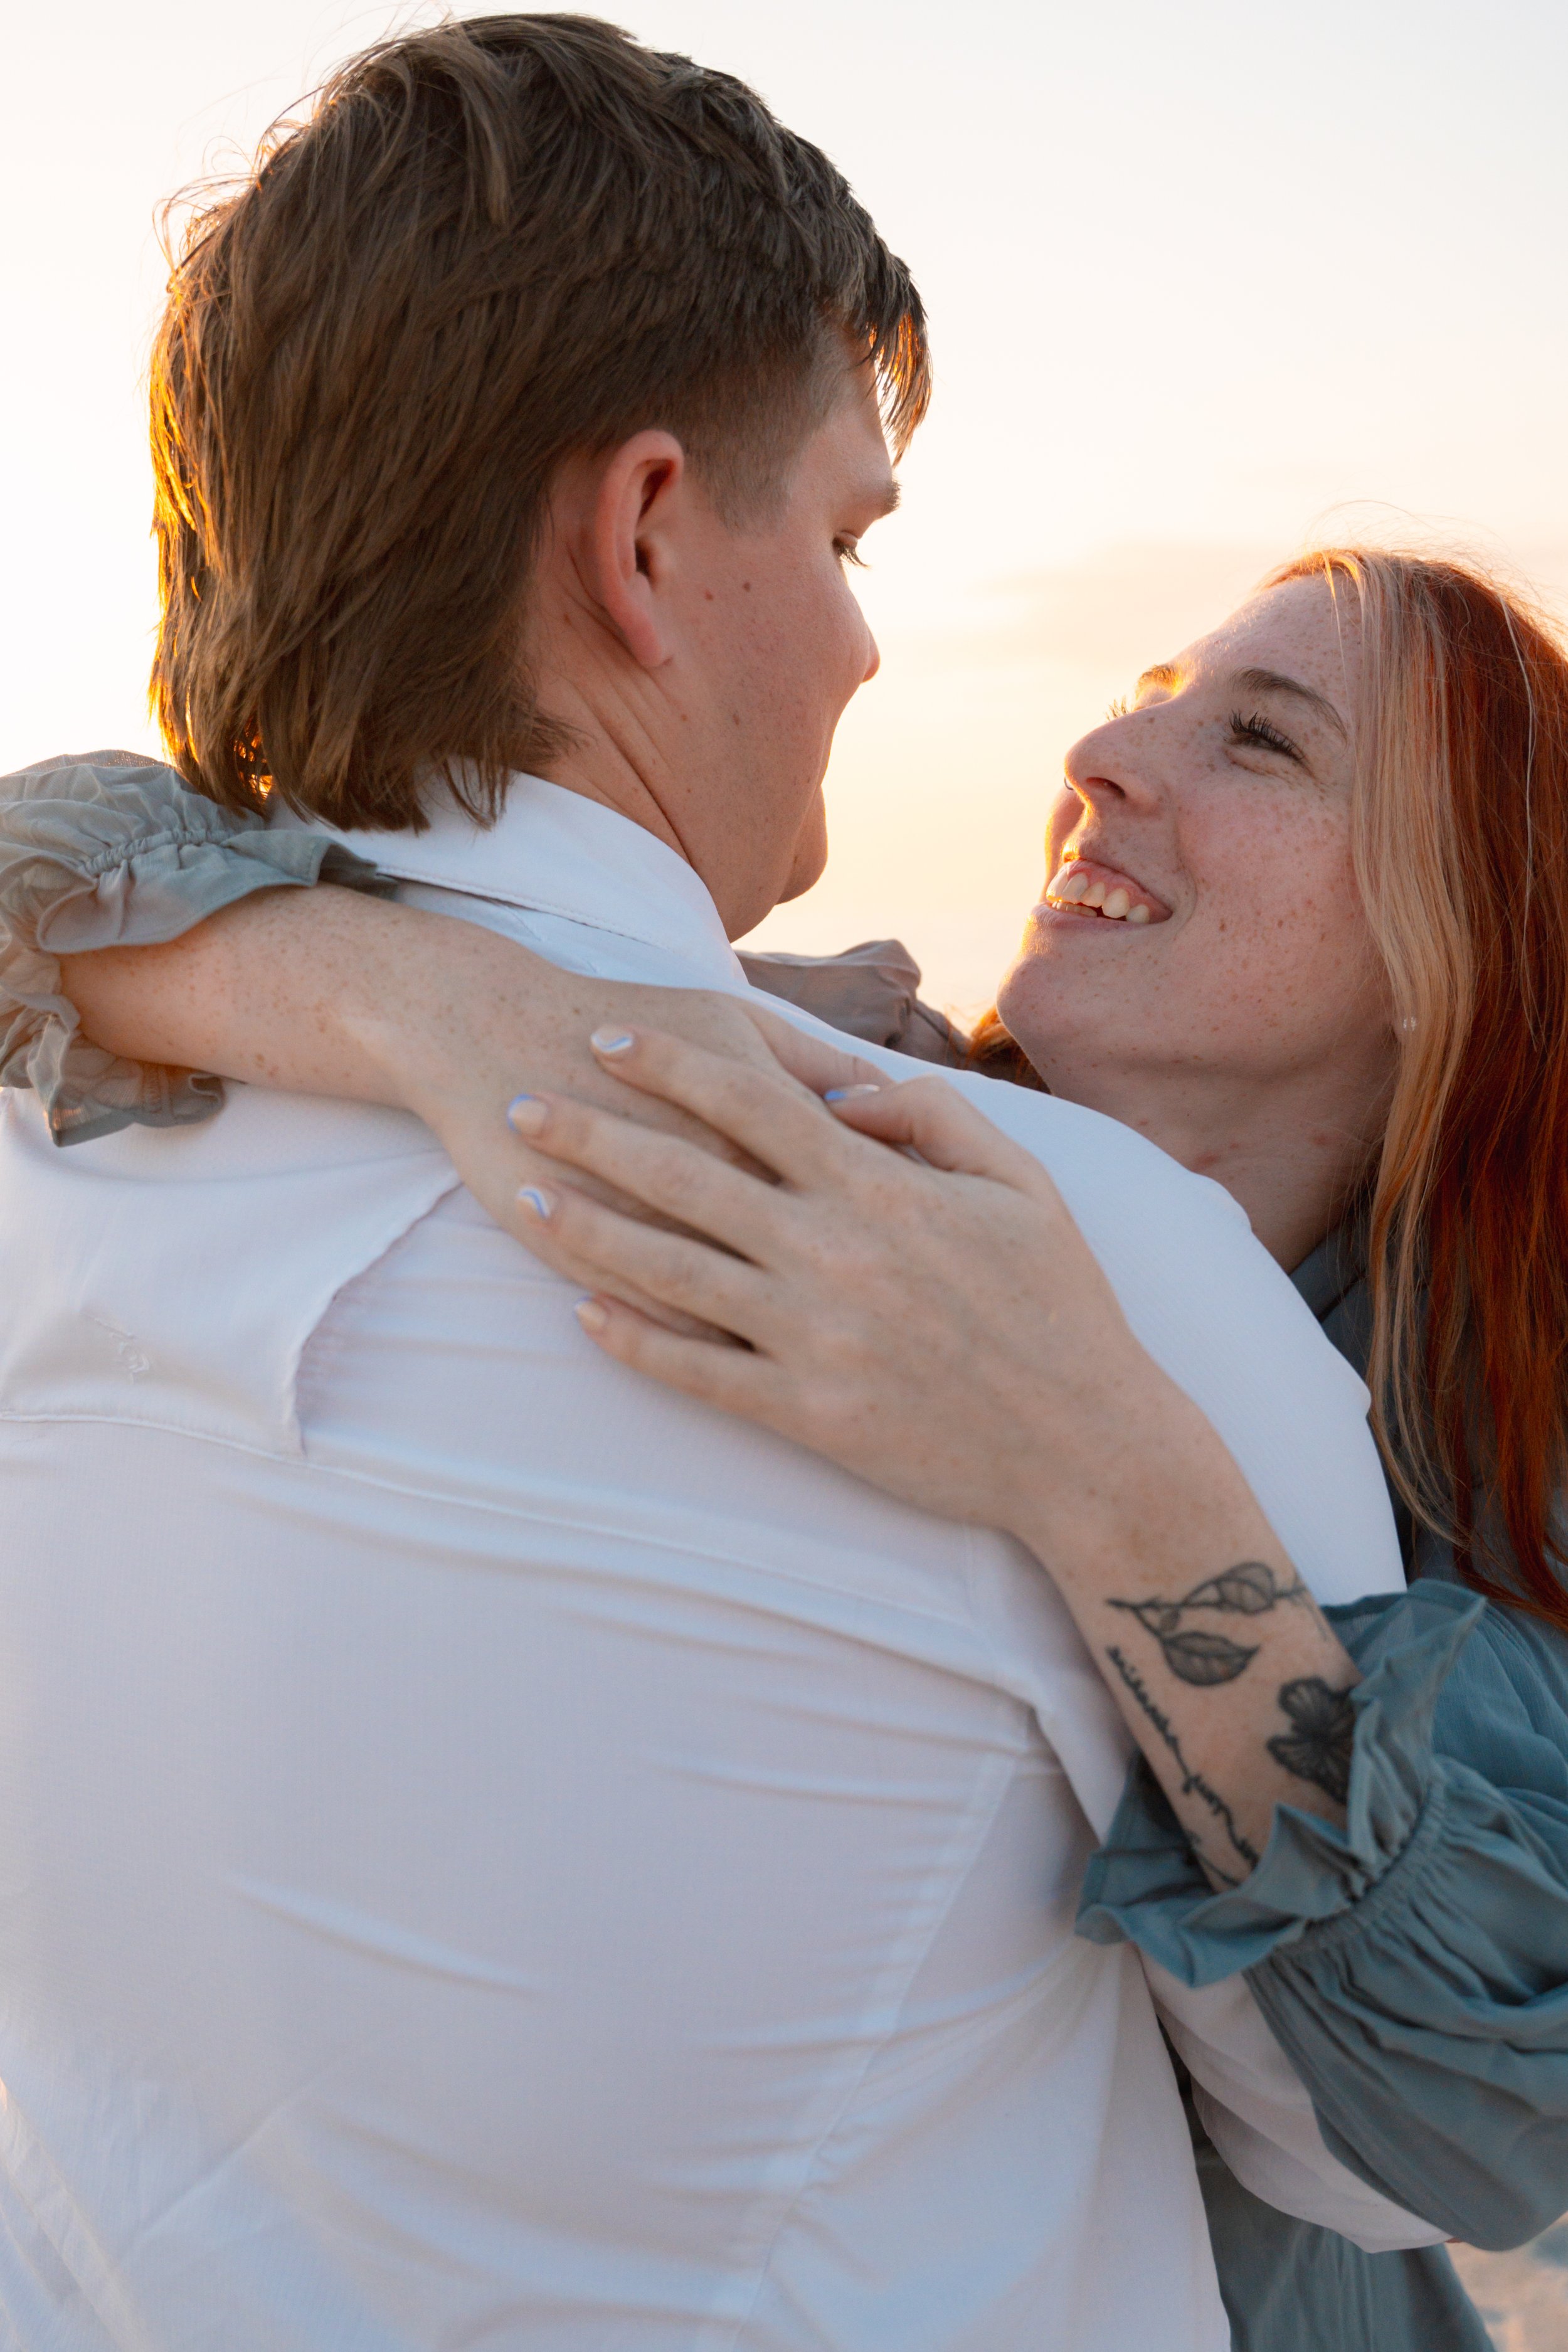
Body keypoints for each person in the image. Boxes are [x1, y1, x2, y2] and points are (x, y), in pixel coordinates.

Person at [0, 16, 1439, 2351]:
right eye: (851, 537)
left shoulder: (49, 1131)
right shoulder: (1065, 1269)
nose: (877, 646)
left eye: (1259, 735)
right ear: (648, 536)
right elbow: (1378, 2144)